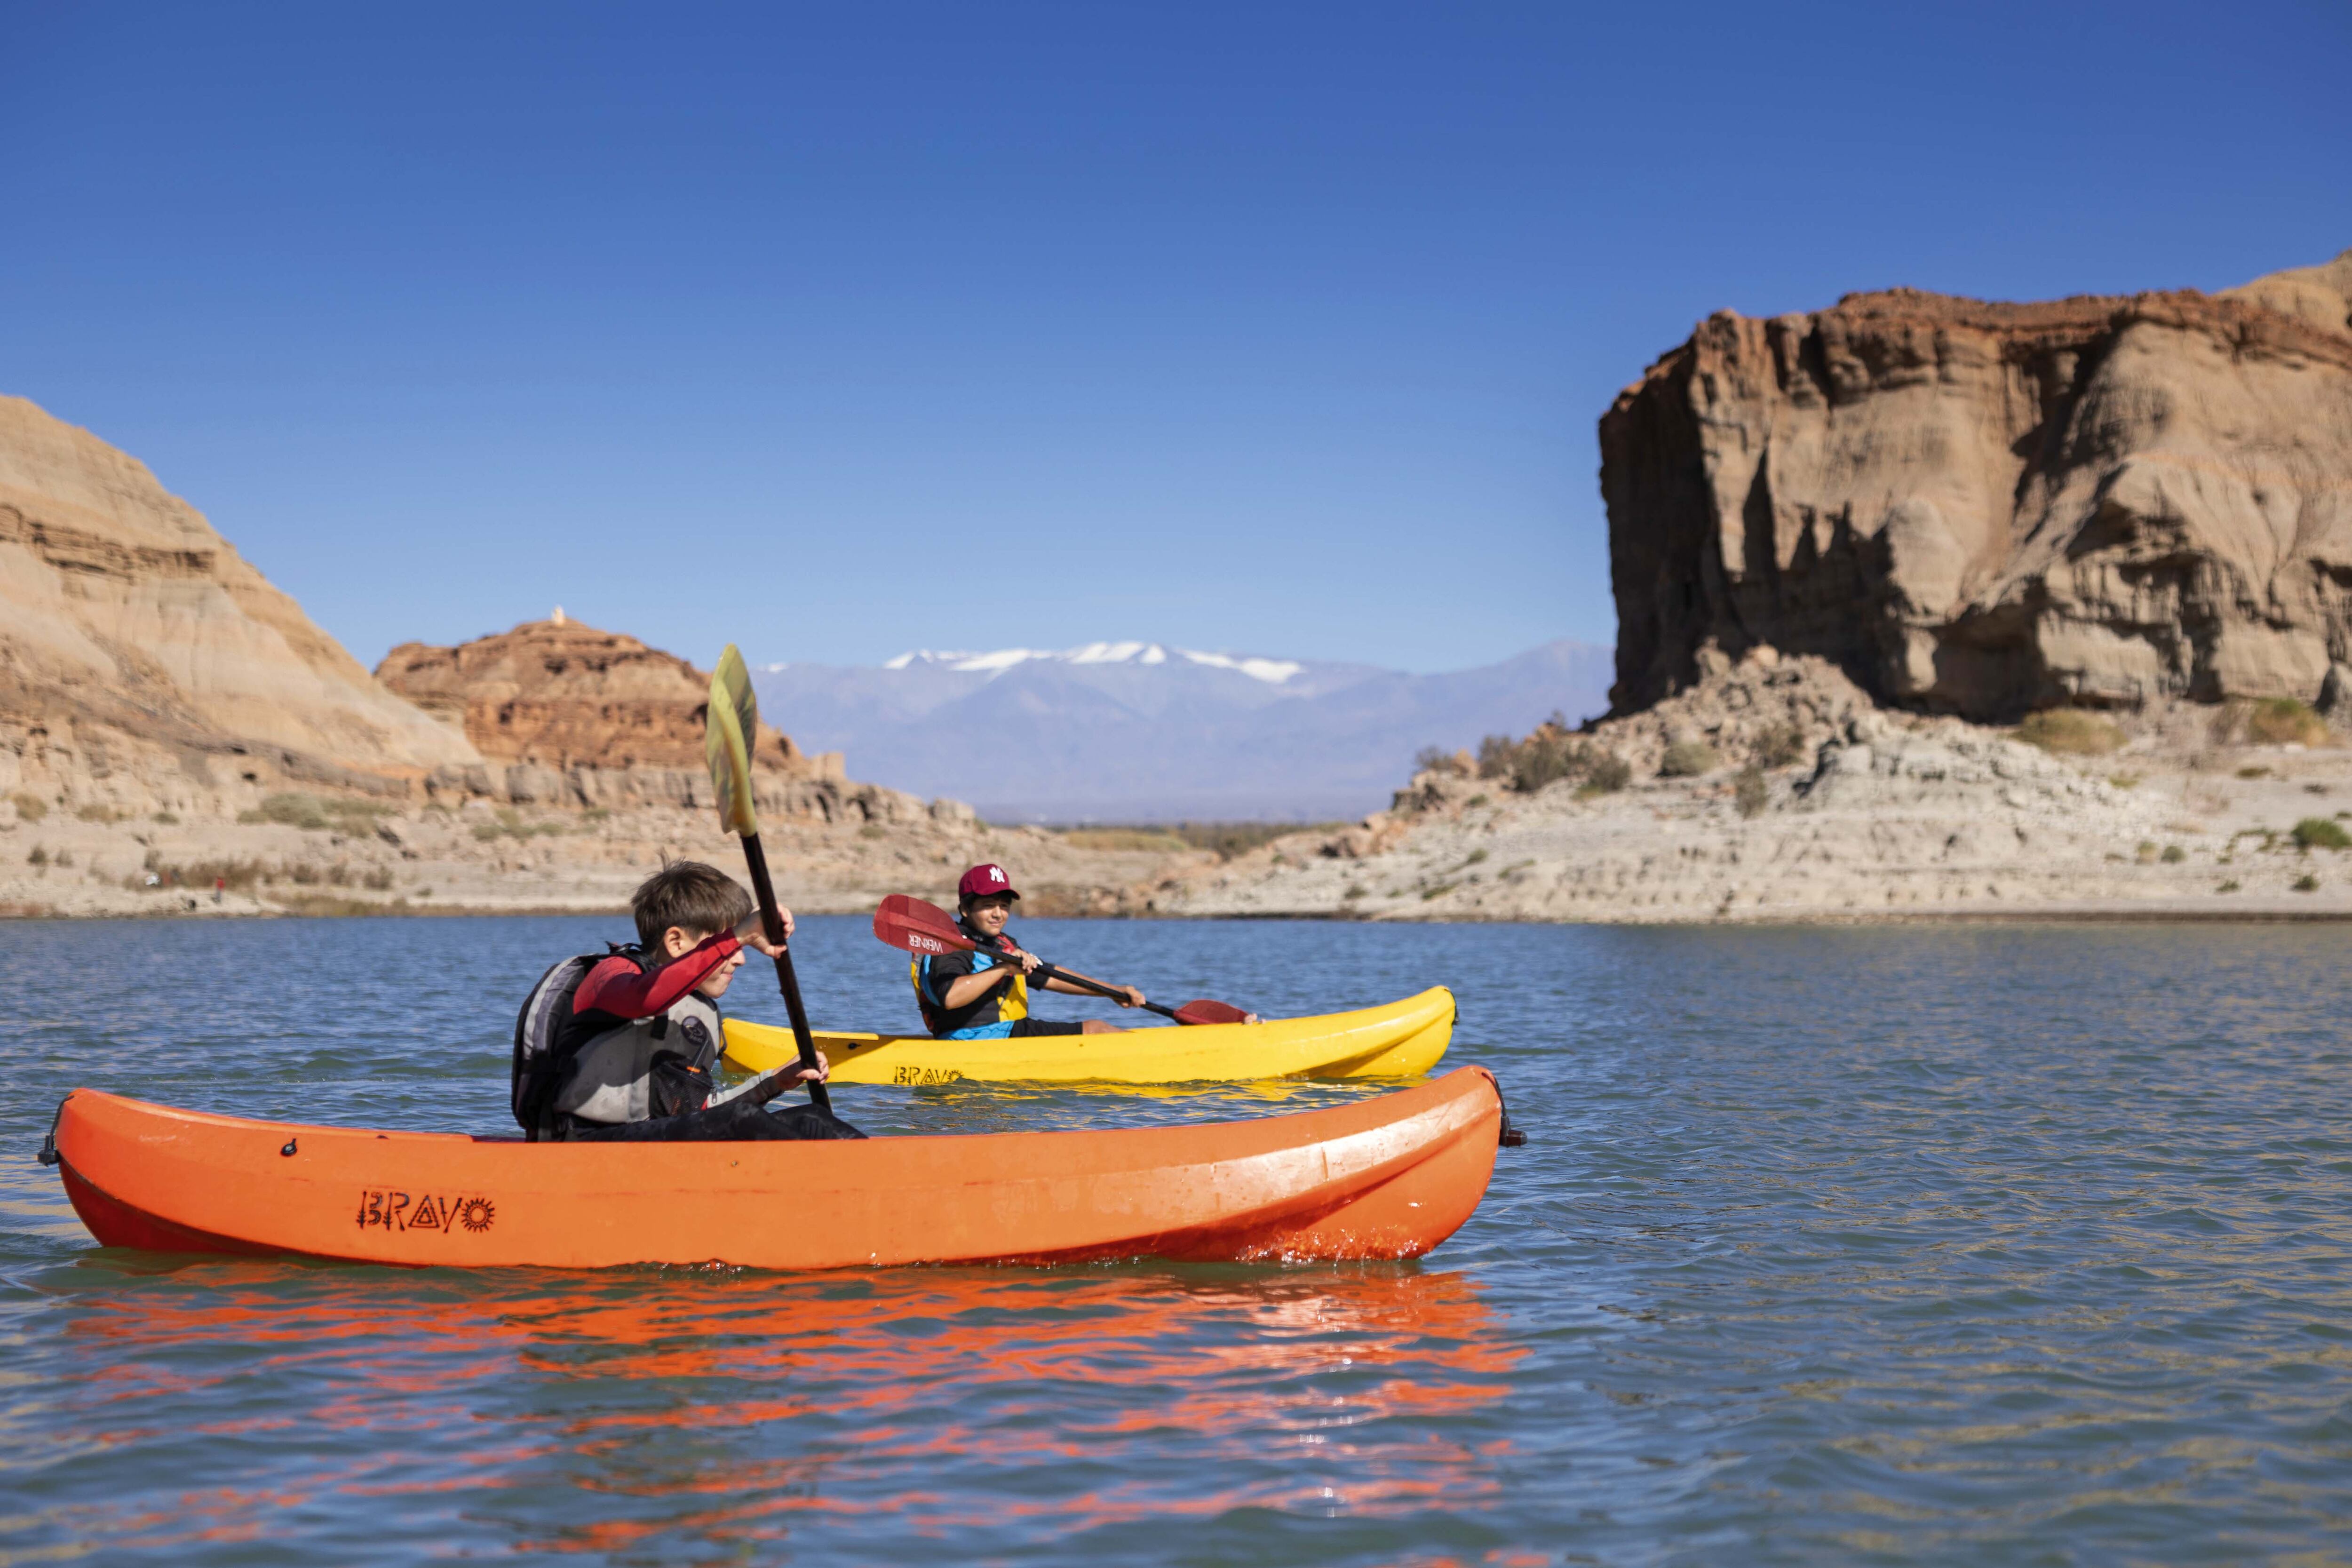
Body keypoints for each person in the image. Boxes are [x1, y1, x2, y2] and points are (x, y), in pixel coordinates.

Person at [524, 860, 864, 1141]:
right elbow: (646, 998)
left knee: (812, 1121)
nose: (740, 959)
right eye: (729, 946)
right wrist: (740, 934)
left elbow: (699, 1114)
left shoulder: (701, 1012)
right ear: (676, 942)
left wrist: (775, 1081)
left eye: (738, 947)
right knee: (741, 1120)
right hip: (579, 1146)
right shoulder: (608, 976)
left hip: (650, 1145)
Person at [910, 863, 1145, 1038]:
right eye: (988, 906)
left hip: (1004, 1036)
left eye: (1004, 906)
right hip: (973, 1040)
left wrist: (1112, 991)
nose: (998, 914)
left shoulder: (1003, 944)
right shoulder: (951, 945)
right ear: (964, 909)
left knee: (1100, 1028)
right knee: (1097, 1031)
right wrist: (1005, 968)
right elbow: (950, 997)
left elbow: (1048, 975)